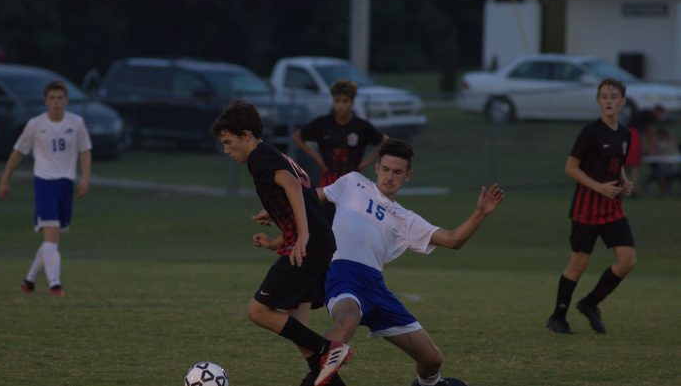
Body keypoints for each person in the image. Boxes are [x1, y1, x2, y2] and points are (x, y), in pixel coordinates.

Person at [310, 138, 504, 386]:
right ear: (377, 168)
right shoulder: (352, 182)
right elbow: (312, 197)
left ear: (408, 176)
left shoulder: (406, 219)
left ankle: (428, 385)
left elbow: (453, 240)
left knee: (432, 359)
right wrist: (278, 210)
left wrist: (480, 213)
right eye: (386, 169)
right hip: (344, 276)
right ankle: (314, 377)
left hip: (376, 288)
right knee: (347, 319)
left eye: (398, 172)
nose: (390, 176)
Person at [210, 100, 351, 386]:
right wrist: (277, 233)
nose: (226, 149)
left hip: (310, 245)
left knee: (258, 311)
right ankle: (324, 374)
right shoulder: (276, 155)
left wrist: (302, 234)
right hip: (318, 243)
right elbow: (305, 196)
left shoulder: (258, 158)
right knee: (298, 329)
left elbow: (293, 185)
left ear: (246, 136)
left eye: (228, 142)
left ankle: (330, 349)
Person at [546, 78, 637, 335]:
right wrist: (599, 188)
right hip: (586, 209)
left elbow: (617, 164)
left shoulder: (625, 134)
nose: (609, 100)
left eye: (614, 96)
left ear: (623, 101)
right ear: (598, 101)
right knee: (579, 264)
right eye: (604, 96)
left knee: (627, 260)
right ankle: (558, 316)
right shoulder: (590, 133)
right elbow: (570, 168)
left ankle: (590, 303)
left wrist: (625, 181)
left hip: (612, 209)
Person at [0, 80, 92, 297]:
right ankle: (55, 284)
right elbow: (18, 152)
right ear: (45, 101)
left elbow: (85, 151)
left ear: (66, 100)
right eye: (52, 98)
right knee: (51, 235)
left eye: (60, 98)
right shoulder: (35, 124)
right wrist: (5, 178)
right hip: (44, 183)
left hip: (65, 183)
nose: (56, 102)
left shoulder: (76, 123)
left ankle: (29, 281)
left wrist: (85, 177)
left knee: (53, 237)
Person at [292, 79, 388, 188]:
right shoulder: (323, 123)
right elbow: (296, 137)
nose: (341, 105)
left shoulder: (361, 126)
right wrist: (318, 159)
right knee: (325, 204)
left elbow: (384, 141)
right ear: (333, 102)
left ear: (352, 103)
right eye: (337, 101)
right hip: (329, 180)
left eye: (345, 101)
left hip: (353, 181)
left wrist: (365, 163)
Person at [625, 105, 665, 195]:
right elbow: (650, 133)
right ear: (658, 112)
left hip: (625, 134)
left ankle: (630, 188)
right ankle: (633, 189)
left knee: (625, 164)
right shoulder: (650, 116)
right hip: (633, 135)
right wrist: (652, 150)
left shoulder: (641, 113)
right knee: (635, 165)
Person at [642, 127, 680, 195]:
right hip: (661, 167)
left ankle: (666, 190)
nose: (661, 136)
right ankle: (664, 191)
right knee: (658, 173)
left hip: (672, 167)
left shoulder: (671, 142)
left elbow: (672, 153)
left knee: (660, 173)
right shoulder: (656, 143)